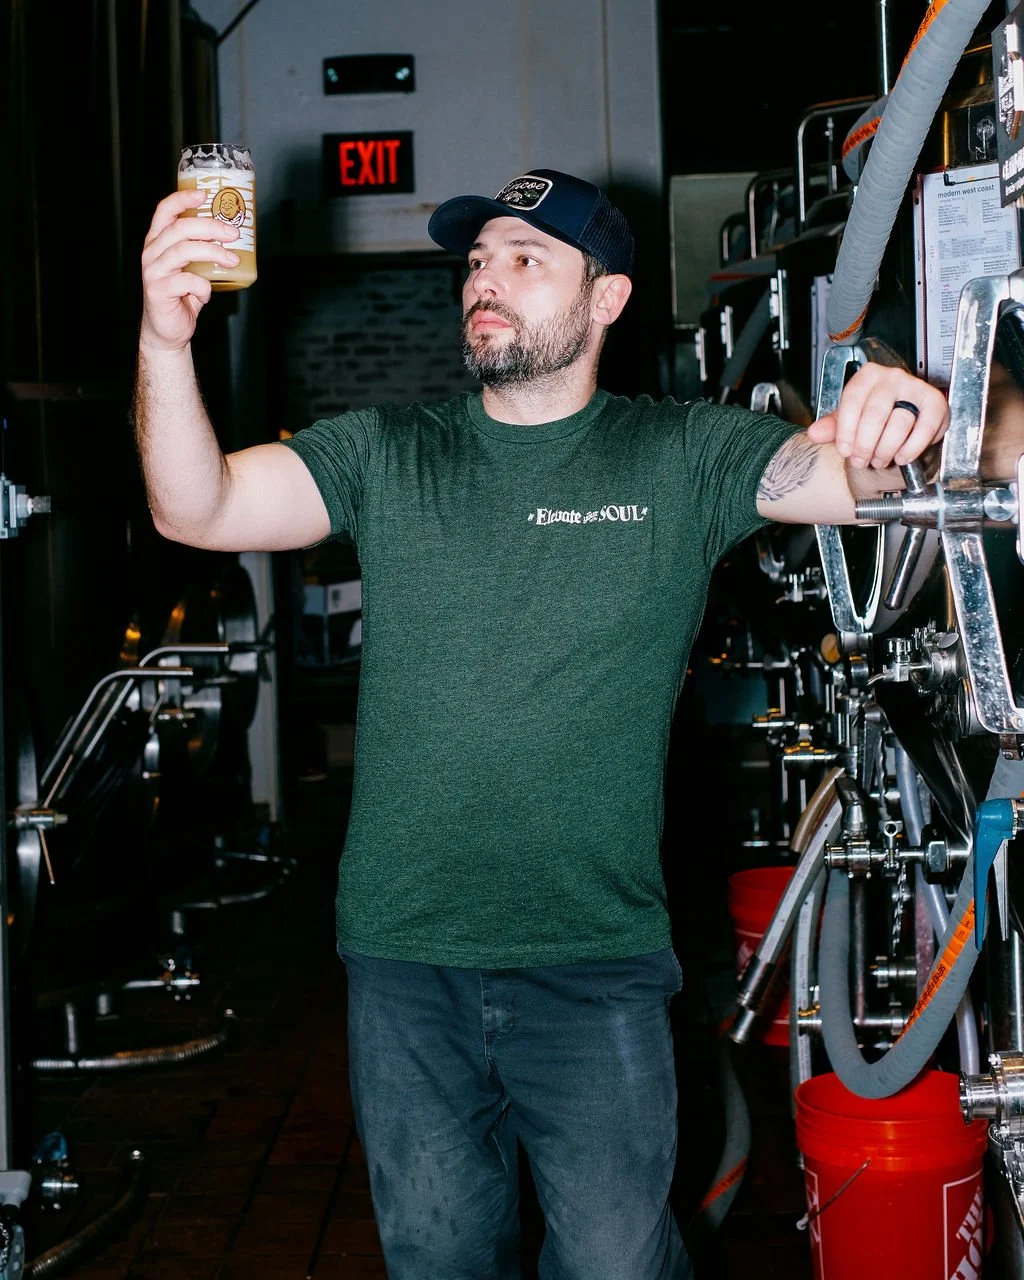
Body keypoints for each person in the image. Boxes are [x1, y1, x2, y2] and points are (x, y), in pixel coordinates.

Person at [133, 167, 949, 1280]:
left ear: (605, 299)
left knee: (616, 1261)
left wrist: (911, 409)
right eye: (476, 260)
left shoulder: (682, 456)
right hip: (405, 956)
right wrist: (165, 338)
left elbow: (874, 481)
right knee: (439, 1259)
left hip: (596, 961)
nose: (487, 281)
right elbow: (198, 506)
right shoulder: (386, 454)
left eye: (525, 259)